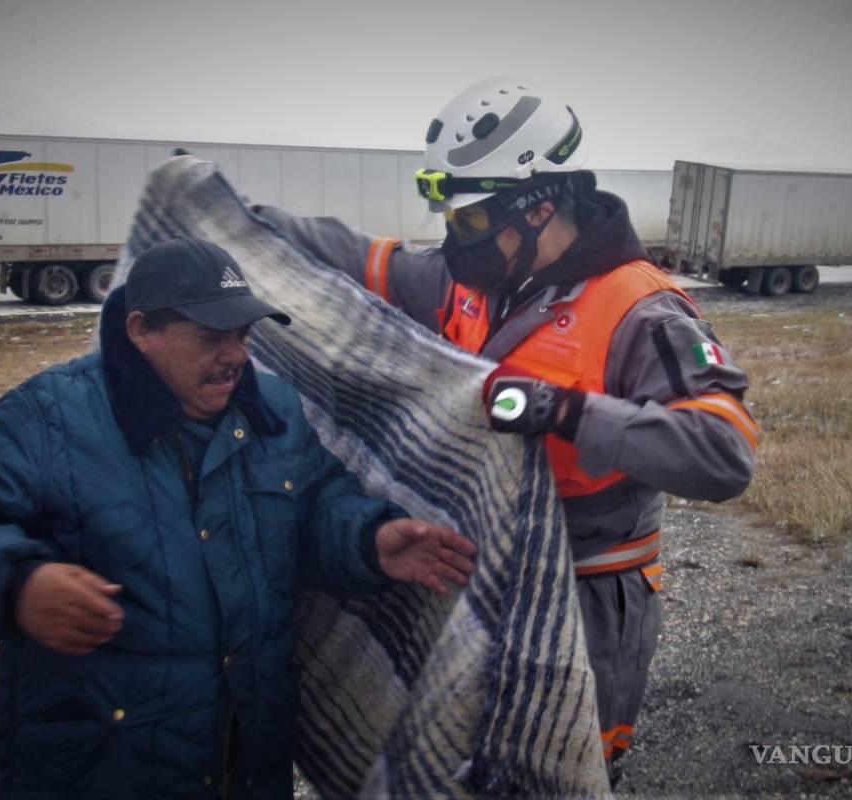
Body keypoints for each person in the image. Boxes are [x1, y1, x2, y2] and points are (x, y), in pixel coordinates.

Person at [254, 76, 758, 789]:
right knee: (465, 767)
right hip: (474, 585)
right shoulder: (473, 277)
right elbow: (360, 256)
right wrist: (239, 216)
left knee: (550, 774)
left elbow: (724, 454)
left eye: (470, 223)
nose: (455, 242)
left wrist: (565, 410)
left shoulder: (641, 309)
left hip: (583, 603)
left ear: (540, 204)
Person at [0, 236, 478, 799]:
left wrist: (369, 538)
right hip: (102, 773)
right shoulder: (54, 416)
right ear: (141, 330)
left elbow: (316, 503)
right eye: (211, 336)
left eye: (243, 333)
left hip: (247, 770)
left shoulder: (270, 409)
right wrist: (17, 586)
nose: (236, 355)